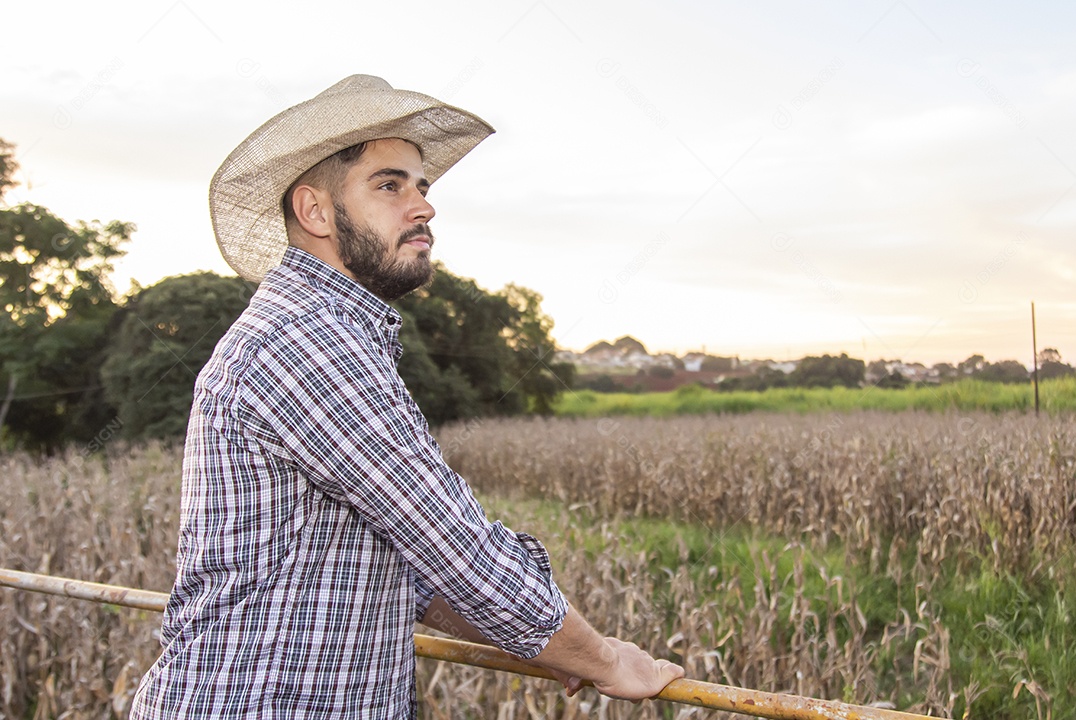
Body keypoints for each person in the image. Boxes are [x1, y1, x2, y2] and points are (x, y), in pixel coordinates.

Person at [129, 74, 683, 719]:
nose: (423, 207)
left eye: (422, 187)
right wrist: (607, 661)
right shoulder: (306, 342)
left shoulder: (329, 334)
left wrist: (555, 650)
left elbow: (410, 574)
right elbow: (456, 548)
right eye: (389, 185)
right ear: (314, 212)